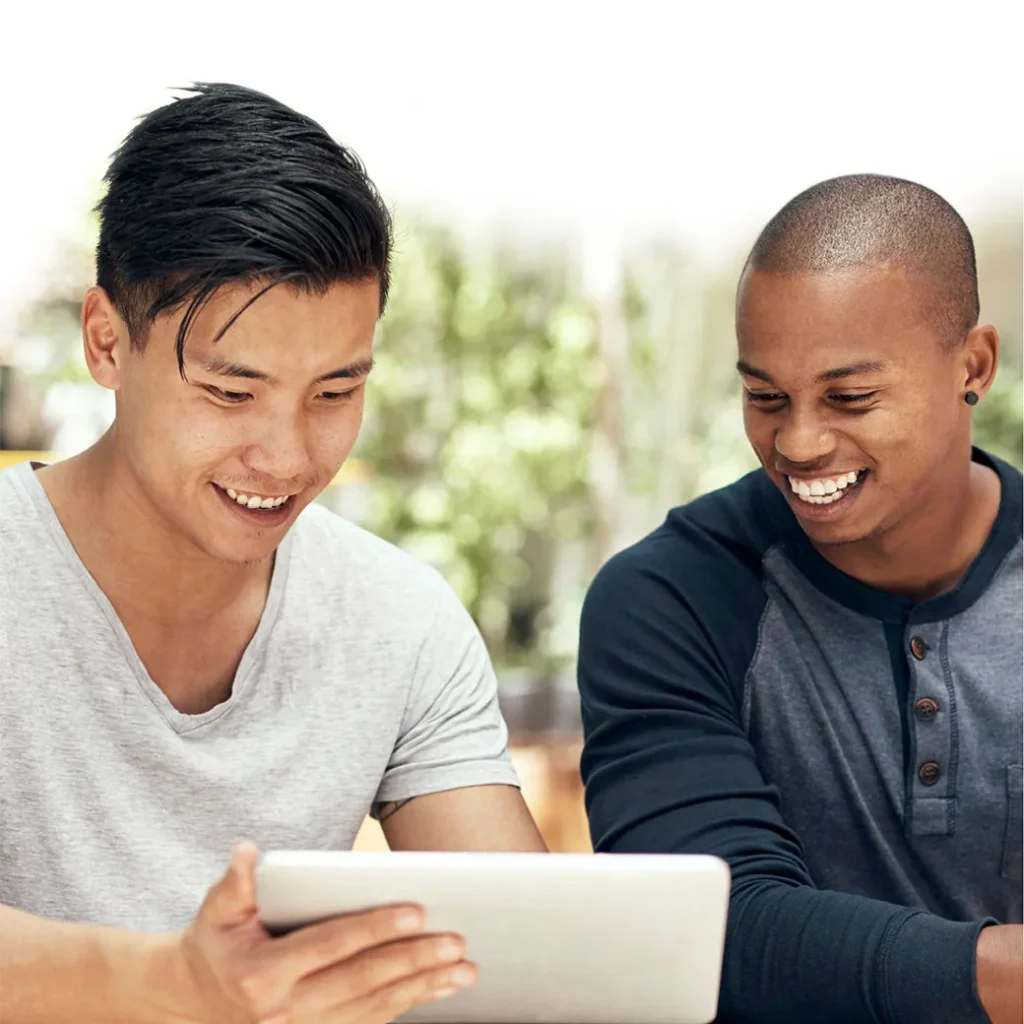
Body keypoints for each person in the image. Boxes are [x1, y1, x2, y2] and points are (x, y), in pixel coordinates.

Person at [0, 83, 545, 1024]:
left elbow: (527, 954)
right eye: (230, 392)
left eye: (335, 393)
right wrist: (175, 984)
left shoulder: (399, 620)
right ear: (104, 342)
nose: (288, 459)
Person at [577, 174, 1022, 1024]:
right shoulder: (667, 599)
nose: (799, 442)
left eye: (850, 398)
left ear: (973, 366)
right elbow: (702, 933)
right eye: (765, 397)